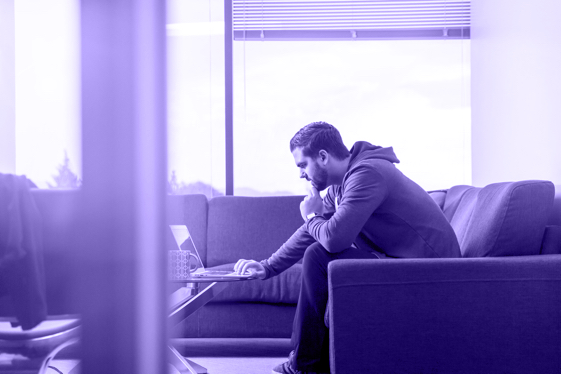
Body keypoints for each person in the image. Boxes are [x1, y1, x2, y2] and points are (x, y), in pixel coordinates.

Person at [234, 121, 461, 374]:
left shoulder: (368, 174)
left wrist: (311, 217)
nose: (301, 174)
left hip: (434, 272)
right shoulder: (342, 185)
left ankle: (306, 365)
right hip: (400, 262)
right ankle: (307, 363)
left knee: (320, 255)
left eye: (302, 165)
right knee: (318, 252)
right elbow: (311, 233)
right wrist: (267, 267)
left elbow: (333, 239)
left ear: (322, 157)